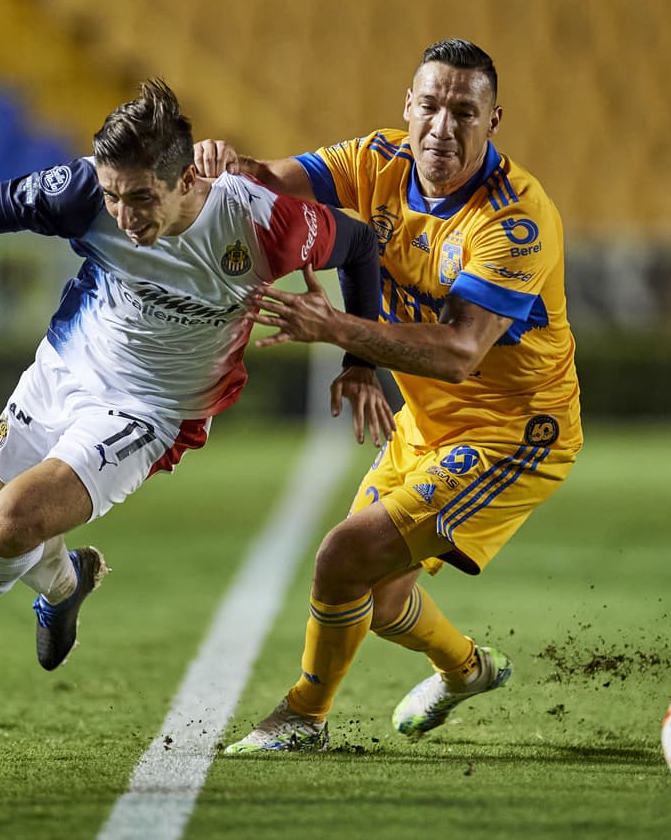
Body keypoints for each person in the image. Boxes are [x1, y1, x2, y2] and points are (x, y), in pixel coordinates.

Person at [0, 79, 393, 680]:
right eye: (114, 196)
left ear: (188, 179)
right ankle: (67, 586)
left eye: (140, 197)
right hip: (63, 367)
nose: (123, 214)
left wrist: (359, 359)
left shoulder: (263, 224)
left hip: (153, 409)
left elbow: (359, 246)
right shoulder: (84, 191)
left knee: (12, 525)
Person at [194, 39, 582, 752]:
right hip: (427, 424)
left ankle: (303, 715)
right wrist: (226, 166)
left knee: (343, 555)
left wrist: (340, 330)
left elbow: (463, 351)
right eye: (430, 105)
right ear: (408, 107)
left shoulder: (516, 220)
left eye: (464, 111)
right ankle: (466, 669)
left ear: (494, 120)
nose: (443, 126)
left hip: (513, 435)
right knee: (381, 596)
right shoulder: (376, 159)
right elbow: (272, 181)